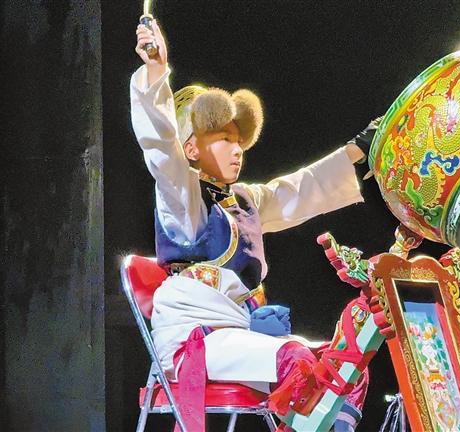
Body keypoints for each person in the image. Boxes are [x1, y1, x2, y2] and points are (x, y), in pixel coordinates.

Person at [132, 19, 373, 431]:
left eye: (238, 139)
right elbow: (161, 150)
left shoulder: (244, 199)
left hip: (238, 335)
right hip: (196, 339)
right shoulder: (182, 200)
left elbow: (300, 190)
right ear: (191, 148)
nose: (237, 149)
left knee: (344, 366)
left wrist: (359, 150)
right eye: (223, 139)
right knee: (297, 361)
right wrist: (155, 72)